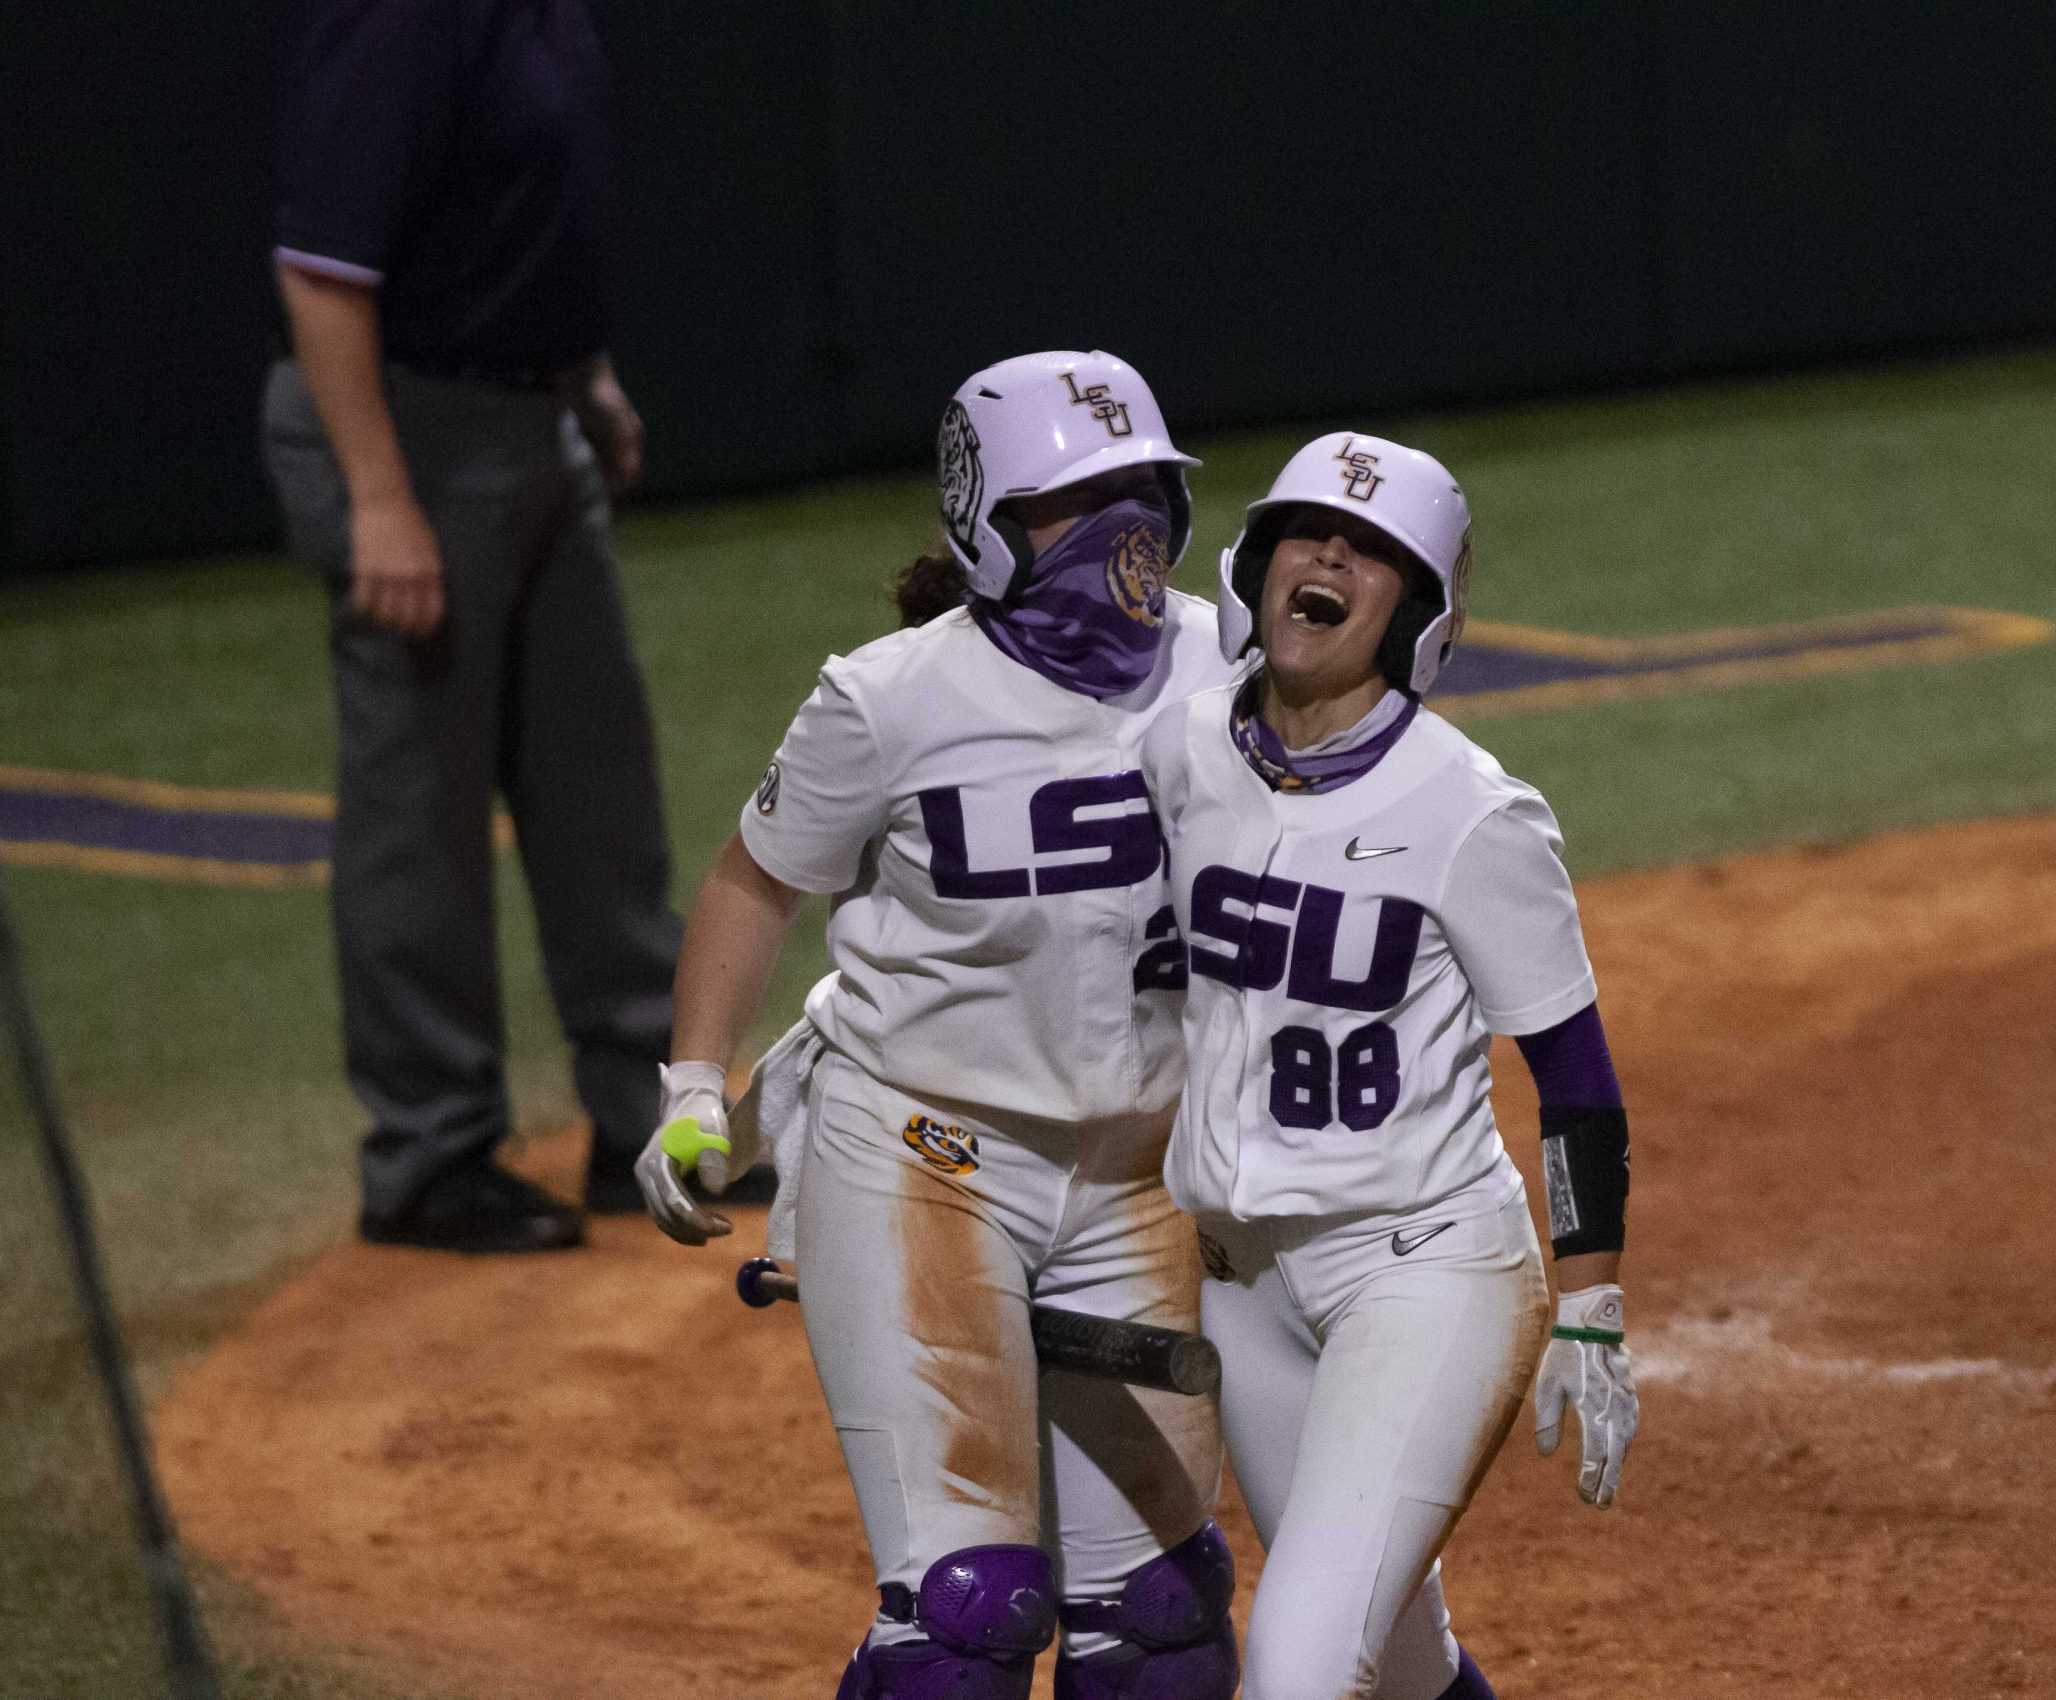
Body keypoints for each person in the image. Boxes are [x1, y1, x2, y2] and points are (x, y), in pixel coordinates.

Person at [634, 353, 1244, 1698]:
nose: (1119, 530)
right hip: (921, 1160)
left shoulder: (1230, 663)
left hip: (1138, 1180)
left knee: (1158, 1617)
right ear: (982, 520)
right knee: (967, 1622)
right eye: (1071, 501)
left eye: (1141, 490)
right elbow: (752, 879)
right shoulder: (890, 696)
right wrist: (693, 1085)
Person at [1137, 433, 1642, 1700]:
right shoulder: (1179, 748)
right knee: (1402, 1660)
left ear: (1412, 611)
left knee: (1302, 1670)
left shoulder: (1470, 809)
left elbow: (1573, 1074)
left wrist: (1591, 1300)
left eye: (1368, 550)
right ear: (1255, 565)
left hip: (1424, 1274)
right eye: (1306, 531)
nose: (1327, 556)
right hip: (1243, 1282)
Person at [261, 0, 683, 1251]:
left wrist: (586, 378)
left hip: (529, 416)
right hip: (408, 429)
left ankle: (645, 1122)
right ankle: (429, 1152)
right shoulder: (401, 16)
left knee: (599, 791)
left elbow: (536, 210)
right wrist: (379, 499)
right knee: (420, 815)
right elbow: (321, 272)